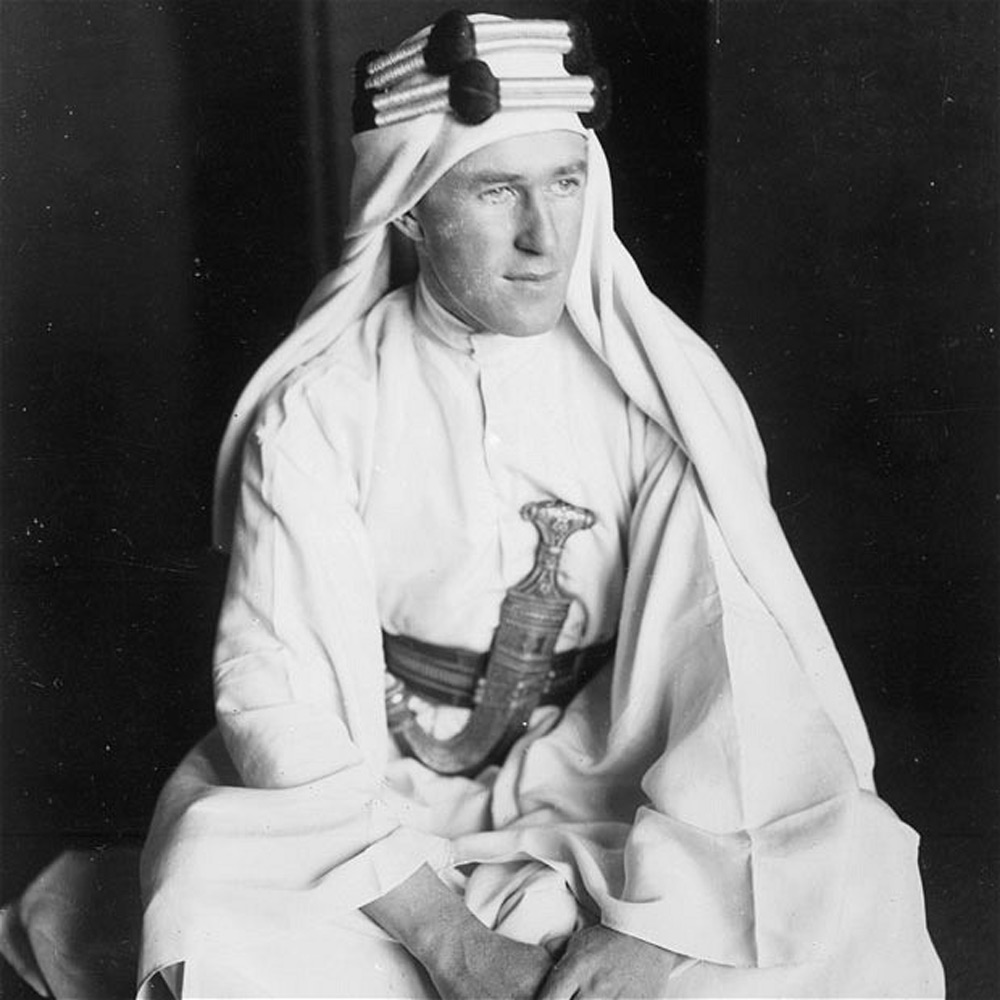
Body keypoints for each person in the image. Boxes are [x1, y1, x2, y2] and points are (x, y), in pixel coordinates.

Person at [135, 11, 944, 999]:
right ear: (407, 210)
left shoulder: (654, 396)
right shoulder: (319, 410)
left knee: (852, 869)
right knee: (207, 913)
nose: (542, 236)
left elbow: (737, 659)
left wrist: (664, 929)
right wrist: (443, 933)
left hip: (610, 773)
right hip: (385, 788)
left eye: (565, 182)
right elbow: (279, 694)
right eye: (495, 189)